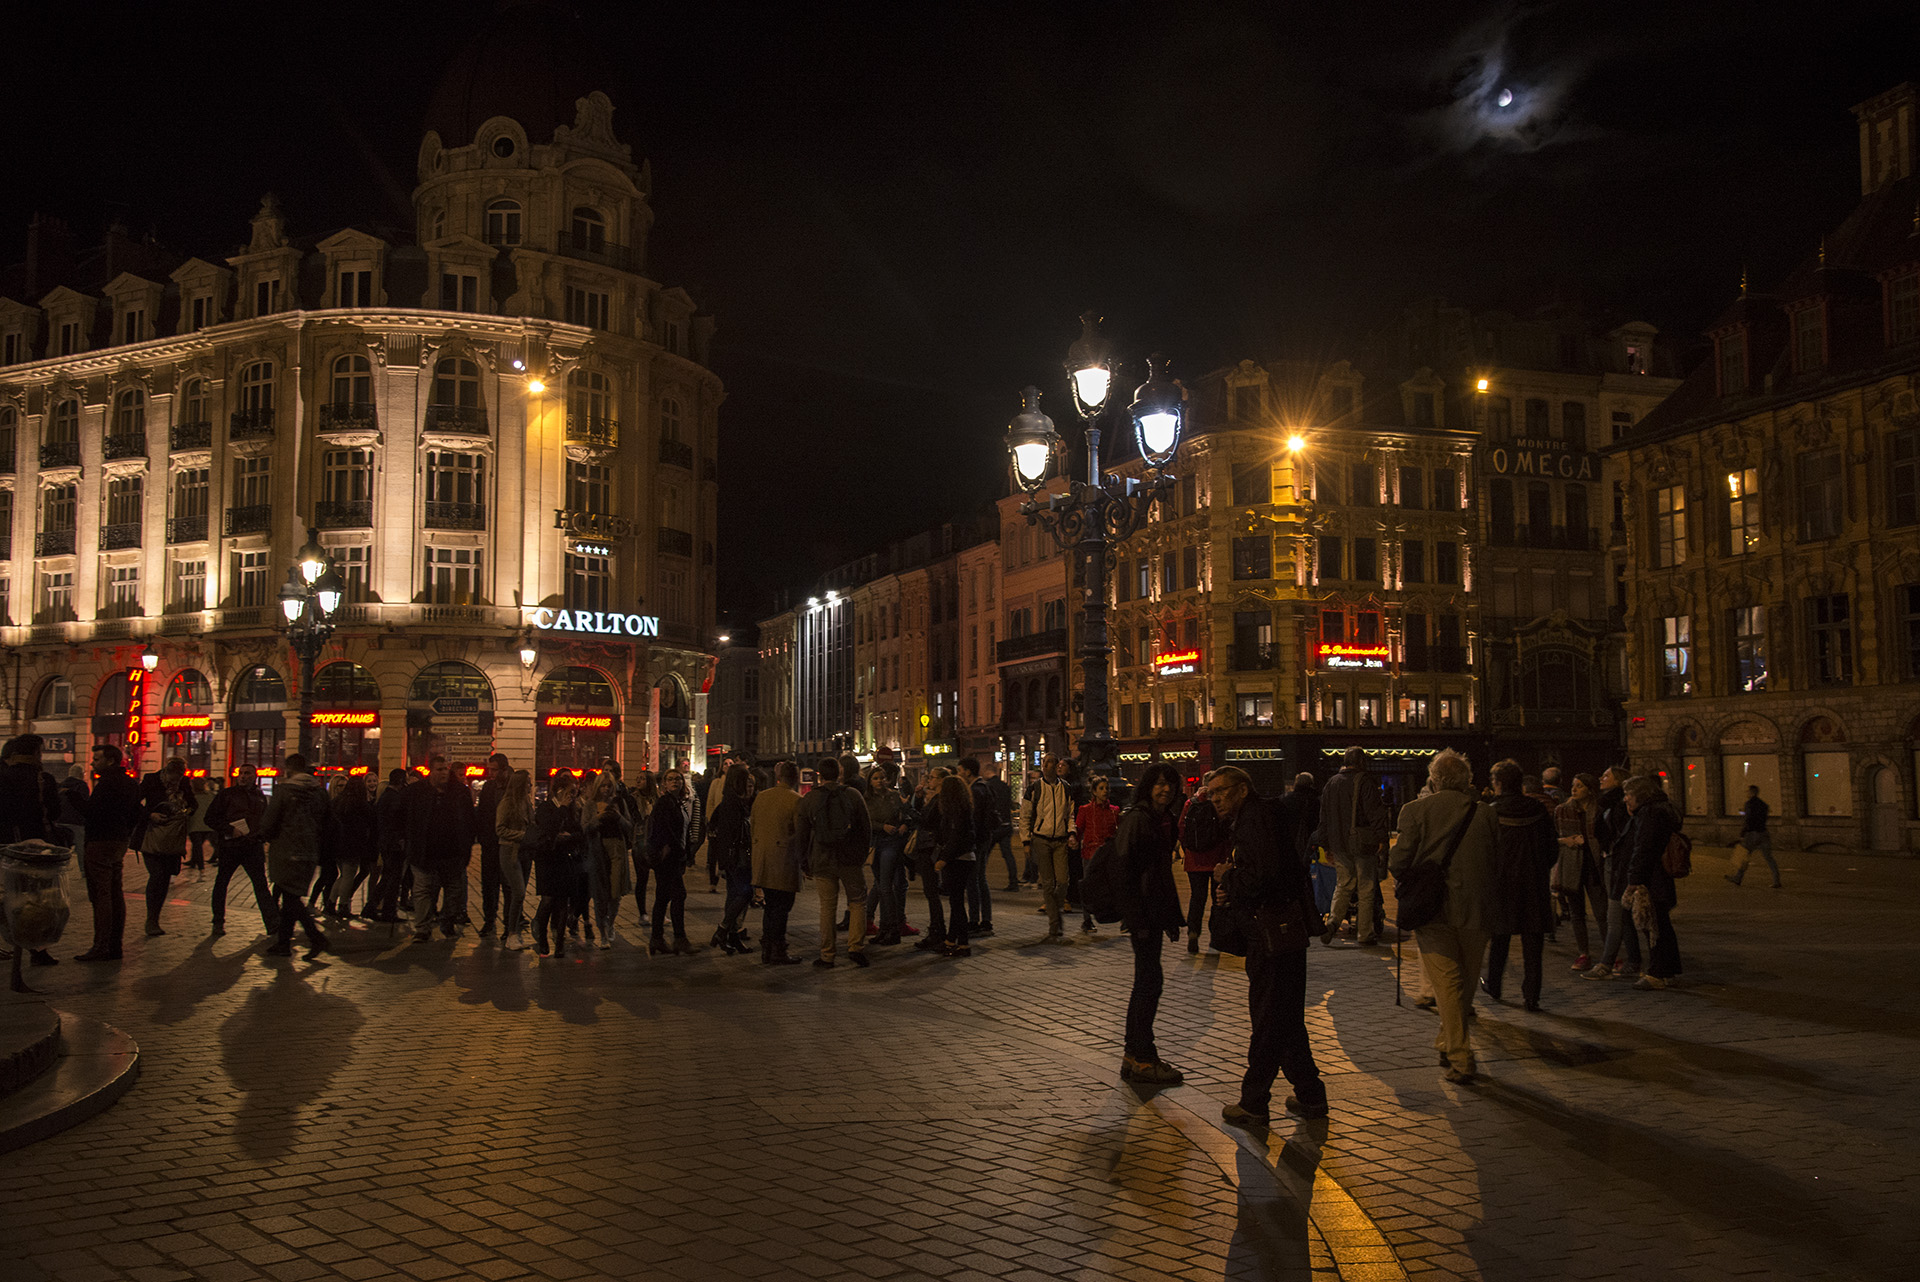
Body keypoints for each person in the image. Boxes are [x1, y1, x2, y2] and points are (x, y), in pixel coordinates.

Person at [1208, 766, 1328, 1124]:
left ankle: (1254, 1101)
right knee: (1286, 1017)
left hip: (1271, 933)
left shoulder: (1255, 820)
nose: (1214, 799)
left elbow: (1263, 875)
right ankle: (1310, 1095)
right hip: (1283, 932)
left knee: (1268, 1018)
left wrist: (1226, 875)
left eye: (1221, 791)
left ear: (1243, 790)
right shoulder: (1262, 816)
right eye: (1211, 793)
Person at [1389, 749, 1496, 1083]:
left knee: (1447, 983)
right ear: (1467, 781)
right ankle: (1447, 1039)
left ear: (1433, 780)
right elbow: (1498, 860)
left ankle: (1460, 1056)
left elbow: (1397, 862)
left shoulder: (1415, 811)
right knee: (1465, 980)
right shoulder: (1486, 814)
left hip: (1433, 908)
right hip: (1477, 908)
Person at [1115, 763, 1186, 1084]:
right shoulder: (1139, 819)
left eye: (1170, 784)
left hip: (1153, 913)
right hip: (1143, 914)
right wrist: (1137, 918)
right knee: (1148, 982)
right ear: (1147, 787)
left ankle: (1135, 1054)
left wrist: (1170, 917)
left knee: (1148, 981)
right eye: (1158, 784)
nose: (1165, 789)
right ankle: (1142, 1057)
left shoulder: (1163, 820)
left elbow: (1162, 875)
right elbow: (1126, 873)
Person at [1483, 759, 1558, 1012]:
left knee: (1500, 939)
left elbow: (1486, 852)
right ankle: (1531, 996)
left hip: (1502, 885)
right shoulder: (1536, 809)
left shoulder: (1491, 812)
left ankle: (1494, 985)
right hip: (1534, 884)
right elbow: (1552, 850)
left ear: (1500, 783)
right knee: (1533, 943)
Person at [796, 757, 872, 968]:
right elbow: (865, 829)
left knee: (827, 906)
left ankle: (827, 954)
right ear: (839, 773)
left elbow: (801, 835)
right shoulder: (853, 795)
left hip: (822, 858)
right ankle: (856, 947)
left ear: (819, 774)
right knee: (857, 902)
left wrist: (804, 862)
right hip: (849, 859)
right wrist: (861, 855)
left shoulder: (809, 799)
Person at [1312, 746, 1388, 947]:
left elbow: (1324, 818)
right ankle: (1364, 933)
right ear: (1362, 761)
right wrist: (1381, 839)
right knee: (1366, 887)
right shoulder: (1364, 781)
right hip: (1362, 843)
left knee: (1343, 884)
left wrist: (1326, 845)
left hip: (1338, 844)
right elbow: (1375, 813)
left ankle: (1333, 921)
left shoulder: (1331, 783)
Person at [0, 735, 65, 971]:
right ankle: (37, 949)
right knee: (38, 900)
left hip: (6, 846)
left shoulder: (3, 776)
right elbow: (55, 812)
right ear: (36, 753)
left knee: (6, 896)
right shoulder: (43, 779)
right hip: (37, 849)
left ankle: (13, 943)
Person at [257, 755, 331, 960]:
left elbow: (269, 822)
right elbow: (327, 821)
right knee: (290, 896)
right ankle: (283, 942)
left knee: (290, 896)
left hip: (286, 850)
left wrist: (264, 836)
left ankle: (315, 938)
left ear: (289, 769)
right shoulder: (319, 792)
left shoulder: (284, 791)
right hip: (310, 850)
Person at [76, 743, 142, 962]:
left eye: (97, 759)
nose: (93, 762)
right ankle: (115, 945)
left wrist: (72, 799)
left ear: (110, 760)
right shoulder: (130, 783)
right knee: (115, 892)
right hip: (119, 840)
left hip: (100, 840)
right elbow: (136, 813)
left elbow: (92, 812)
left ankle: (101, 945)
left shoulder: (106, 783)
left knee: (101, 894)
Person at [1621, 775, 1684, 990]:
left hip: (1652, 878)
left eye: (1628, 795)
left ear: (1640, 795)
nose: (1625, 799)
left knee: (1653, 926)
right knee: (1662, 924)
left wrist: (1634, 880)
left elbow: (1643, 849)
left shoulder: (1649, 814)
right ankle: (1669, 971)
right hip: (1660, 877)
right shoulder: (1662, 810)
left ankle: (1657, 973)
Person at [404, 755, 475, 942]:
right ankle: (422, 928)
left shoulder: (459, 791)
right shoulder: (416, 791)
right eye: (440, 769)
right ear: (431, 771)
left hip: (452, 852)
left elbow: (468, 820)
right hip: (424, 852)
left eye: (446, 769)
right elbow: (406, 818)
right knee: (423, 890)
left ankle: (447, 921)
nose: (444, 773)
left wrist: (466, 846)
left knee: (454, 891)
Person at [1585, 765, 1643, 982]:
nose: (1601, 777)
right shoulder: (1609, 804)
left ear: (1619, 781)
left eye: (1606, 775)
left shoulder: (1620, 805)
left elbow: (1618, 836)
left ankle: (1606, 963)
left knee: (1615, 914)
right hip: (1613, 861)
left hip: (1618, 864)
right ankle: (1633, 960)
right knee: (1623, 916)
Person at [206, 765, 275, 938]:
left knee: (261, 886)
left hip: (252, 846)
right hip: (231, 846)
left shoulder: (260, 796)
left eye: (247, 773)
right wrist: (229, 830)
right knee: (222, 884)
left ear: (255, 776)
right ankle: (218, 922)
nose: (243, 777)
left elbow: (263, 820)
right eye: (241, 773)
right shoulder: (227, 794)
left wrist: (261, 836)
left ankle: (273, 925)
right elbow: (210, 818)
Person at [750, 760, 805, 965]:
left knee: (771, 905)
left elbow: (753, 826)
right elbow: (800, 834)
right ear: (795, 778)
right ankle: (778, 949)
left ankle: (767, 947)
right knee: (782, 907)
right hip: (783, 859)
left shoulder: (762, 797)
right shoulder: (796, 800)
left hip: (763, 858)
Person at [1554, 773, 1608, 970]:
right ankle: (1583, 953)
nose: (1574, 789)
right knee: (1577, 913)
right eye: (1573, 785)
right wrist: (1566, 841)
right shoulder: (1562, 810)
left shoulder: (1599, 811)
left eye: (1580, 786)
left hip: (1594, 867)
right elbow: (1553, 837)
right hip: (1572, 866)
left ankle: (1609, 954)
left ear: (1590, 790)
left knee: (1602, 913)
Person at [137, 757, 196, 938]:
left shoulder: (184, 783)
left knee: (164, 878)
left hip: (172, 838)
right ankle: (151, 919)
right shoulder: (151, 780)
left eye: (179, 777)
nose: (176, 781)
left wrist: (183, 812)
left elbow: (193, 804)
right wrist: (151, 815)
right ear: (167, 771)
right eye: (174, 776)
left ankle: (155, 917)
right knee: (157, 875)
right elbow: (134, 802)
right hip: (152, 835)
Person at [529, 775, 586, 957]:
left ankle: (560, 943)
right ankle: (543, 937)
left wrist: (569, 837)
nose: (572, 797)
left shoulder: (570, 810)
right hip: (547, 859)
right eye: (570, 792)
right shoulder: (546, 808)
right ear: (560, 791)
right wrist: (561, 808)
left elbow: (579, 832)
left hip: (563, 858)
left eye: (574, 793)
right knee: (548, 899)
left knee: (562, 901)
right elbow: (549, 829)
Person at [645, 769, 697, 955]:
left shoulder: (677, 803)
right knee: (677, 895)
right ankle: (678, 938)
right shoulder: (665, 803)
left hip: (674, 856)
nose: (675, 781)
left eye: (678, 779)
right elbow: (665, 830)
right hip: (668, 858)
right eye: (670, 779)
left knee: (663, 897)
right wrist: (673, 849)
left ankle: (657, 938)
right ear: (664, 784)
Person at [1025, 755, 1077, 942]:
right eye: (1045, 762)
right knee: (1048, 883)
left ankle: (1054, 910)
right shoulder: (1034, 788)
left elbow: (1070, 814)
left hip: (1060, 840)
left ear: (1056, 767)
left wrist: (1071, 832)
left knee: (1063, 881)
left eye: (1051, 763)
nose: (1047, 765)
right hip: (1041, 839)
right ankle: (1055, 925)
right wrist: (1025, 841)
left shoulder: (1066, 788)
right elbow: (1026, 815)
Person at [707, 763, 757, 954]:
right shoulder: (732, 804)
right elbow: (730, 834)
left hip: (731, 857)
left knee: (733, 894)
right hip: (737, 858)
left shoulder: (729, 802)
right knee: (745, 893)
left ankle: (732, 937)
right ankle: (723, 930)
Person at [1177, 774, 1227, 955]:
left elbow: (1181, 828)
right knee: (1217, 899)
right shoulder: (1219, 802)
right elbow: (1226, 830)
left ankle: (1193, 932)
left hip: (1194, 860)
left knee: (1197, 898)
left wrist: (1187, 849)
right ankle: (1215, 937)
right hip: (1216, 859)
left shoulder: (1190, 803)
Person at [928, 774, 977, 958]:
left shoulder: (956, 812)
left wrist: (944, 858)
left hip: (958, 860)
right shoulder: (964, 808)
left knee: (956, 903)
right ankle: (951, 940)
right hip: (965, 858)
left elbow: (955, 838)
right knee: (956, 902)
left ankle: (963, 944)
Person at [862, 764, 911, 945]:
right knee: (882, 885)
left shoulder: (893, 796)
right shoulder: (866, 798)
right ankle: (885, 929)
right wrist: (882, 826)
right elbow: (866, 821)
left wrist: (905, 824)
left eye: (881, 778)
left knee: (885, 886)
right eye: (875, 778)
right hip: (877, 844)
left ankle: (891, 929)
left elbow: (906, 815)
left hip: (892, 844)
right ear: (870, 781)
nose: (879, 781)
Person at [494, 770, 534, 951]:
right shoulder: (507, 803)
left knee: (519, 892)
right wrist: (522, 835)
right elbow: (500, 829)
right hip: (510, 850)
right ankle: (511, 933)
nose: (531, 786)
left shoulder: (526, 802)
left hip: (525, 851)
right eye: (528, 782)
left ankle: (513, 930)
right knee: (518, 891)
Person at [956, 756, 995, 937]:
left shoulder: (975, 790)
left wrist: (970, 840)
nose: (959, 774)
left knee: (973, 881)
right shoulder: (984, 788)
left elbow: (975, 819)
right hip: (984, 839)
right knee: (981, 879)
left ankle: (975, 921)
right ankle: (986, 920)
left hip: (977, 841)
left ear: (968, 771)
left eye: (960, 771)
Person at [328, 775, 376, 918]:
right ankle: (343, 906)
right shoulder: (360, 804)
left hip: (337, 843)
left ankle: (330, 903)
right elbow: (370, 823)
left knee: (343, 875)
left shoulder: (337, 801)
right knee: (348, 875)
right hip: (353, 844)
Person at [368, 768, 412, 923]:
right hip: (393, 844)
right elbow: (395, 822)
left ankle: (372, 906)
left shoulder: (386, 796)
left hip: (387, 842)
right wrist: (399, 839)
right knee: (393, 877)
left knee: (388, 876)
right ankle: (387, 910)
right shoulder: (394, 799)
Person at [475, 753, 511, 936]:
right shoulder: (488, 787)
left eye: (494, 770)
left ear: (504, 770)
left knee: (508, 885)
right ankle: (489, 920)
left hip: (506, 844)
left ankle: (509, 924)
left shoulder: (512, 787)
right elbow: (482, 813)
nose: (490, 773)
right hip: (490, 843)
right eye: (490, 769)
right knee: (489, 884)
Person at [1726, 785, 1781, 888]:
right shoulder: (1764, 805)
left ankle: (1738, 877)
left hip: (1752, 834)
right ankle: (1776, 880)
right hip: (1763, 832)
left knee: (1744, 856)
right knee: (1769, 857)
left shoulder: (1749, 804)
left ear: (1751, 792)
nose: (1746, 793)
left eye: (1748, 791)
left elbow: (1748, 820)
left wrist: (1742, 833)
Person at [187, 777, 214, 878]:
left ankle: (201, 868)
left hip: (194, 825)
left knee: (197, 846)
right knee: (197, 845)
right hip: (206, 826)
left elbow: (188, 811)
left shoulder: (191, 797)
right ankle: (193, 862)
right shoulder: (210, 796)